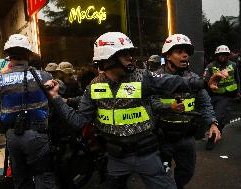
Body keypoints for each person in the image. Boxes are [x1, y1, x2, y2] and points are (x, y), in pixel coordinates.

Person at [45, 32, 224, 189]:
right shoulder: (93, 87)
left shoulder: (142, 77)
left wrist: (204, 83)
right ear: (109, 59)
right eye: (125, 55)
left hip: (148, 154)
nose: (131, 58)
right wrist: (56, 99)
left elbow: (172, 82)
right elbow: (78, 122)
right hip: (116, 158)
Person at [151, 34, 221, 189]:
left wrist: (213, 123)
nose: (185, 55)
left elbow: (205, 103)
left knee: (187, 172)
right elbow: (151, 103)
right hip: (163, 137)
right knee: (162, 173)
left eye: (187, 52)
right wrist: (169, 108)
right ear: (168, 55)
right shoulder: (155, 78)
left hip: (186, 138)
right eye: (179, 52)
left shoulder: (194, 78)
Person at [0, 34, 55, 189]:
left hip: (12, 137)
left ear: (9, 55)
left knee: (20, 179)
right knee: (44, 178)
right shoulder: (43, 76)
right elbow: (60, 91)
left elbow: (0, 102)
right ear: (28, 54)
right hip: (37, 135)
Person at [203, 45, 239, 146]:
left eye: (225, 55)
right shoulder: (210, 66)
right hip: (213, 94)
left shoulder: (233, 65)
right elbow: (205, 81)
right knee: (214, 115)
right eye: (220, 55)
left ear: (228, 55)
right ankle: (219, 129)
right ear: (217, 55)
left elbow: (237, 78)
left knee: (218, 116)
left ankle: (211, 139)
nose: (222, 56)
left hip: (227, 95)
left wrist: (239, 92)